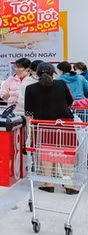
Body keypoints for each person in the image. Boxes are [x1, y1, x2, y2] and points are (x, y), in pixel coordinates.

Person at [24, 62, 77, 193]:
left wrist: (29, 130)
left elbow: (28, 112)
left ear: (37, 74)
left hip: (42, 125)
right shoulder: (61, 84)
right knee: (66, 152)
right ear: (53, 73)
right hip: (64, 123)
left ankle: (48, 183)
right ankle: (68, 183)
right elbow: (70, 101)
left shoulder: (30, 88)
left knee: (46, 152)